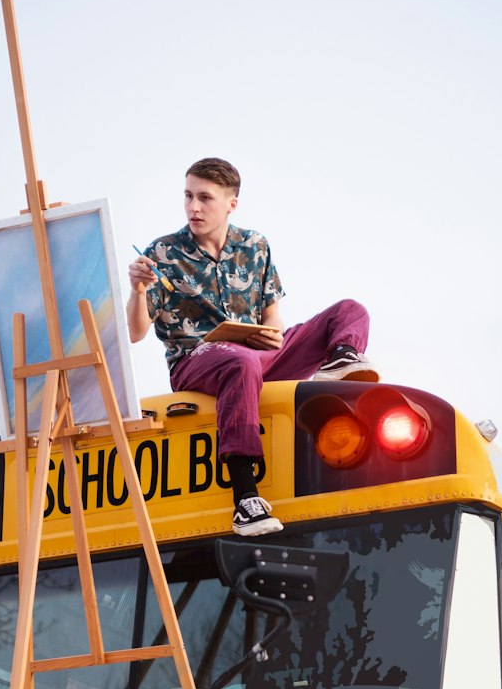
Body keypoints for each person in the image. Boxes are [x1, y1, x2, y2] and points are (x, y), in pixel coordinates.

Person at [127, 157, 380, 537]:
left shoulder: (255, 245)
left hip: (256, 353)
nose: (193, 207)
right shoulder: (164, 252)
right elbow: (135, 332)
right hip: (195, 363)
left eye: (205, 198)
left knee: (349, 310)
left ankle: (341, 361)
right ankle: (245, 497)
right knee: (240, 361)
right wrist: (138, 289)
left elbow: (273, 316)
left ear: (231, 203)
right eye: (188, 196)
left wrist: (272, 336)